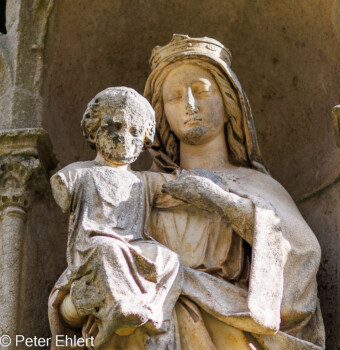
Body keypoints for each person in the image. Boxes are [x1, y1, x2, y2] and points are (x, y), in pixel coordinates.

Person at [142, 34, 325, 349]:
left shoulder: (259, 186)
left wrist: (220, 201)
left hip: (235, 334)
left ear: (229, 104)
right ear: (161, 116)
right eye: (174, 97)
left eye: (201, 91)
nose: (189, 105)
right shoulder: (145, 188)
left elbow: (302, 256)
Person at [48, 87, 183, 350]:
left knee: (170, 260)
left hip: (136, 245)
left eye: (135, 131)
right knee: (108, 249)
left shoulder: (143, 181)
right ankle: (119, 306)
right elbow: (62, 190)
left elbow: (178, 188)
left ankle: (154, 311)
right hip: (95, 246)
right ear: (94, 129)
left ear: (145, 138)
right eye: (116, 125)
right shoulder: (76, 176)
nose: (125, 136)